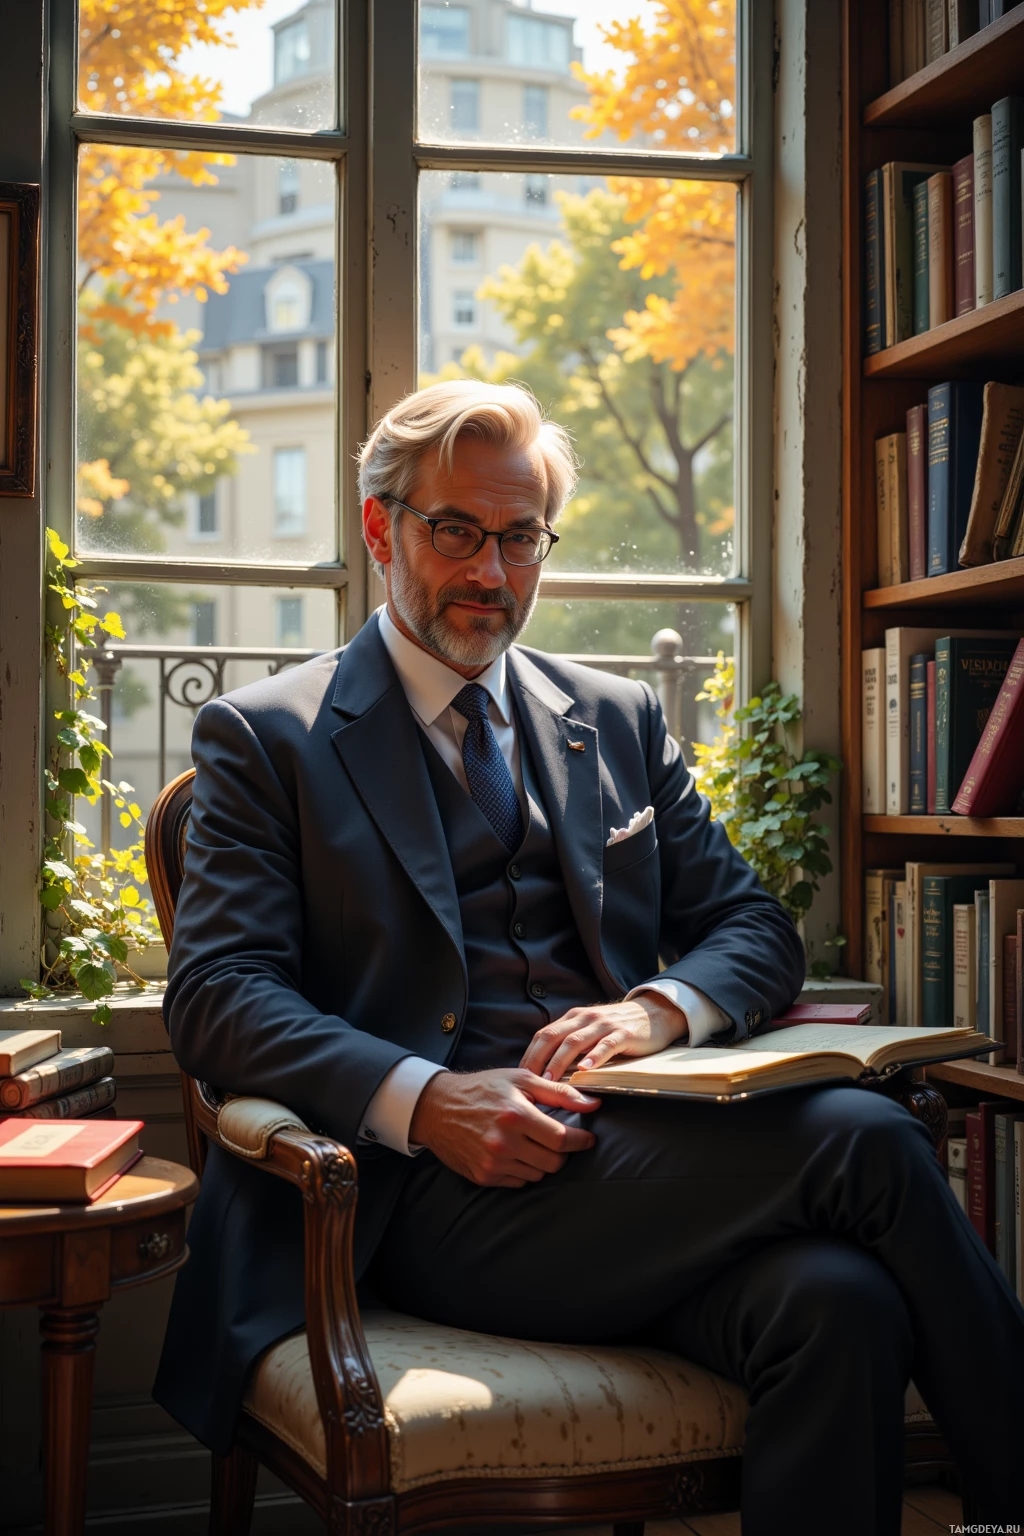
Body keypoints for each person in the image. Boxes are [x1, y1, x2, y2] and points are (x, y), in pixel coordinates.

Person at [155, 380, 1024, 1533]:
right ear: (380, 529)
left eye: (520, 538)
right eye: (455, 530)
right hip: (426, 1199)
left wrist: (661, 1009)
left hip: (639, 1160)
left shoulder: (611, 716)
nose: (492, 572)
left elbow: (753, 927)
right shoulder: (270, 735)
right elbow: (218, 995)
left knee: (838, 1300)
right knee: (868, 1141)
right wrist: (427, 1101)